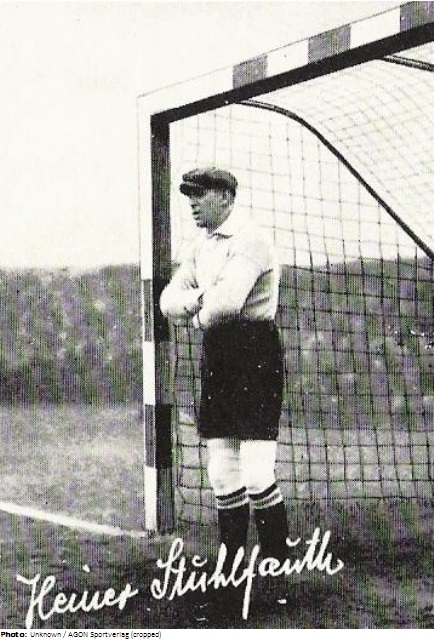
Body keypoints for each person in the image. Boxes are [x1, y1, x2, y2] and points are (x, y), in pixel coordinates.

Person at [160, 167, 289, 618]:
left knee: (256, 474)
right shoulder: (201, 246)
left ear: (226, 197)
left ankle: (274, 576)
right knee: (221, 473)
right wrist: (201, 301)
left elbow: (226, 306)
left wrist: (196, 307)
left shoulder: (251, 239)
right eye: (189, 196)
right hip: (217, 358)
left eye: (200, 195)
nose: (193, 203)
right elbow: (167, 300)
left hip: (255, 354)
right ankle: (231, 578)